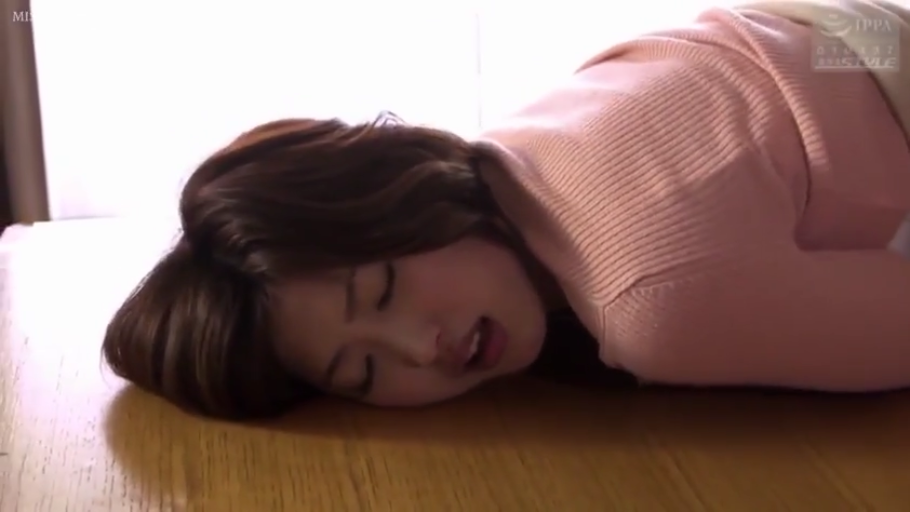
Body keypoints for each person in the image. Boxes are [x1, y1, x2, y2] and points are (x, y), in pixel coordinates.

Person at [102, 0, 910, 420]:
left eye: (383, 290)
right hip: (837, 28)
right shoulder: (510, 149)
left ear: (401, 199)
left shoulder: (647, 302)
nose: (420, 348)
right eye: (364, 373)